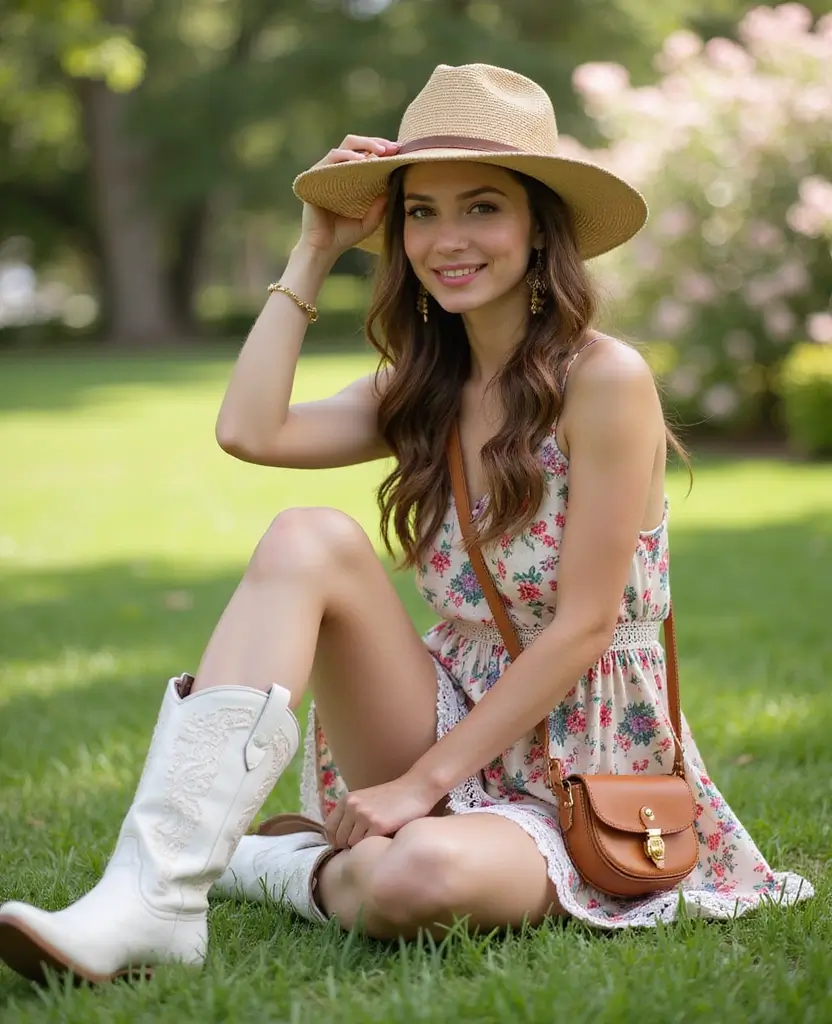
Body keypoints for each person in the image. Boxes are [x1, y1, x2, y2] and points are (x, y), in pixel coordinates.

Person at [0, 63, 812, 986]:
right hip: (436, 707)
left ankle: (279, 864)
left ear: (539, 227)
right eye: (420, 212)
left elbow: (586, 624)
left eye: (480, 208)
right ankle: (153, 896)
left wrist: (421, 789)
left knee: (411, 879)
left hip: (581, 750)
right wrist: (311, 252)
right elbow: (250, 430)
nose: (447, 239)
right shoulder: (422, 387)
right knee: (307, 534)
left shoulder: (607, 379)